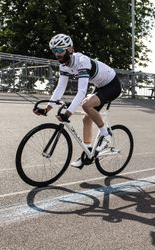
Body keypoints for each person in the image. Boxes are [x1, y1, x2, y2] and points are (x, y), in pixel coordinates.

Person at [33, 33, 122, 168]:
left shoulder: (82, 61)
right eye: (54, 51)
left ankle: (106, 134)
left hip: (112, 85)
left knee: (86, 105)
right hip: (100, 86)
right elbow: (60, 88)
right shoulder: (64, 64)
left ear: (69, 49)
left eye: (59, 50)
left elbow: (81, 92)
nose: (57, 55)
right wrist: (47, 108)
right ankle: (87, 154)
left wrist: (68, 113)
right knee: (86, 119)